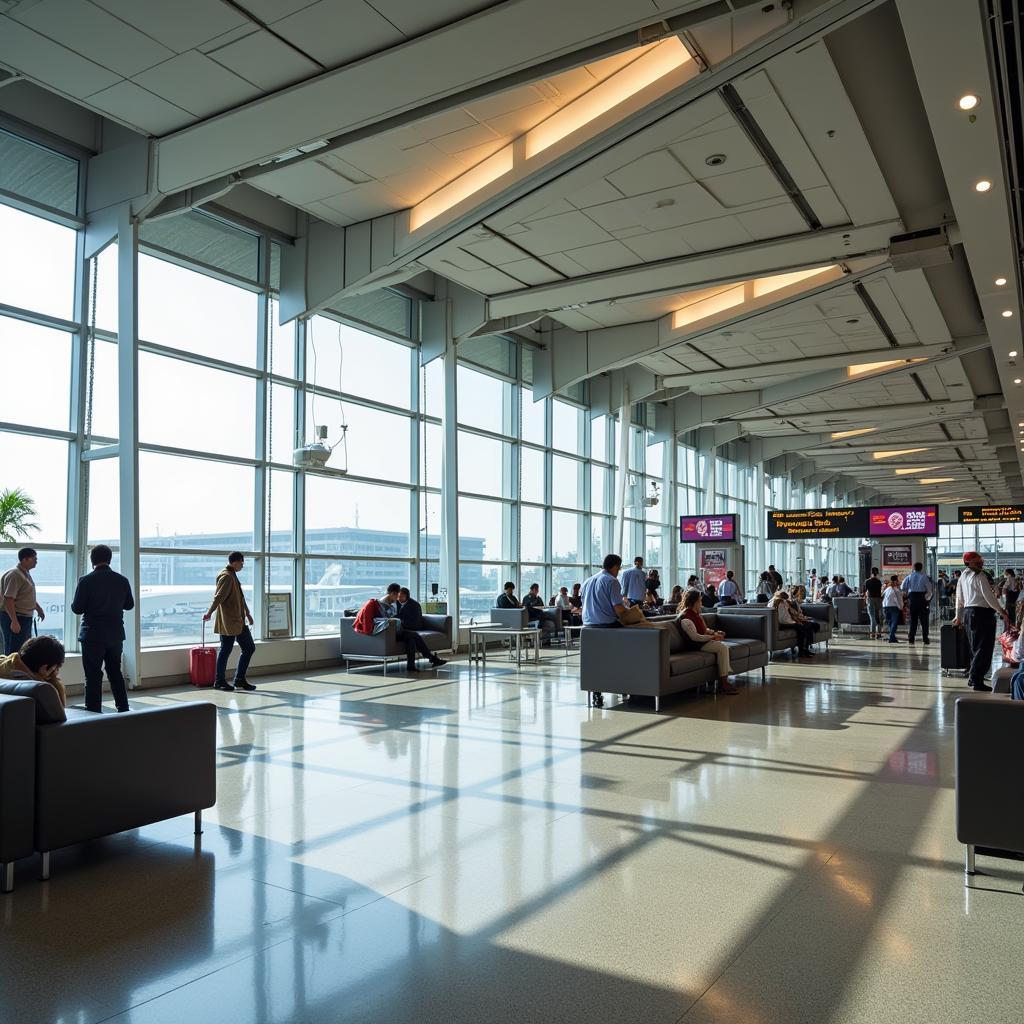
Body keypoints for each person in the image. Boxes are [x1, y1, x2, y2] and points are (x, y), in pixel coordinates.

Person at [70, 544, 135, 713]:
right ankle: (123, 707)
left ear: (92, 561)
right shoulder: (122, 580)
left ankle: (93, 711)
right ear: (109, 559)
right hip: (115, 634)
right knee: (115, 672)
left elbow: (77, 608)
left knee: (92, 675)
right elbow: (129, 605)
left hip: (92, 634)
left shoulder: (86, 580)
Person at [954, 551, 1010, 692]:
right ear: (969, 561)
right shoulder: (980, 575)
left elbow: (959, 598)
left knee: (975, 647)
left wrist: (958, 616)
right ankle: (976, 679)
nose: (981, 561)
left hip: (969, 613)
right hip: (981, 614)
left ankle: (974, 677)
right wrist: (1001, 610)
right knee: (983, 648)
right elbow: (989, 597)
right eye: (977, 559)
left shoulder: (963, 576)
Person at [204, 552, 256, 692]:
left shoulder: (232, 575)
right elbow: (218, 597)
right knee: (226, 649)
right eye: (241, 563)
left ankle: (239, 679)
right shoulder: (226, 576)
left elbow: (240, 597)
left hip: (238, 620)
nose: (242, 566)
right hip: (229, 621)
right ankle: (219, 681)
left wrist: (247, 613)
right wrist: (209, 612)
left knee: (249, 647)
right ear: (235, 562)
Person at [675, 589, 738, 694]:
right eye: (700, 601)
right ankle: (724, 682)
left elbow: (704, 630)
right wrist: (713, 637)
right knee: (722, 648)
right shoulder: (685, 618)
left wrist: (715, 632)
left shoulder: (696, 614)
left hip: (702, 642)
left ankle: (723, 680)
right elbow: (696, 637)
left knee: (722, 647)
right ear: (694, 602)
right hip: (695, 645)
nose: (701, 603)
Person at [0, 633, 67, 707]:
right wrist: (51, 681)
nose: (57, 673)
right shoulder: (38, 688)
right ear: (47, 668)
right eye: (57, 668)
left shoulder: (7, 664)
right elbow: (59, 713)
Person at [1, 547, 46, 655]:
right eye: (33, 558)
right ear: (25, 559)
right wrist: (14, 621)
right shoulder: (15, 575)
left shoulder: (25, 573)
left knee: (24, 650)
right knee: (14, 651)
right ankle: (12, 672)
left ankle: (21, 672)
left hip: (24, 617)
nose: (36, 561)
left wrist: (38, 609)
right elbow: (8, 599)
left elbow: (25, 596)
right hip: (17, 617)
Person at [396, 587, 446, 671]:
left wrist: (401, 622)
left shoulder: (414, 605)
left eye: (401, 596)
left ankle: (416, 663)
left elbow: (414, 621)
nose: (399, 598)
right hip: (402, 629)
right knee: (411, 639)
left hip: (411, 626)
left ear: (406, 596)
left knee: (412, 636)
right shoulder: (396, 603)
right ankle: (428, 659)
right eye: (398, 596)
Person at [581, 555, 626, 628]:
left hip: (587, 624)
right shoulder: (611, 581)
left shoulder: (587, 581)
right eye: (619, 568)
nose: (618, 572)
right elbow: (618, 609)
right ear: (615, 567)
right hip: (606, 624)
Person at [770, 590, 814, 657]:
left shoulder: (783, 602)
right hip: (782, 624)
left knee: (808, 626)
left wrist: (797, 620)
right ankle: (801, 651)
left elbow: (788, 614)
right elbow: (783, 619)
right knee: (801, 628)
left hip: (786, 622)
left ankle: (806, 649)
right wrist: (795, 622)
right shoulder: (778, 603)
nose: (786, 599)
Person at [901, 562, 934, 645]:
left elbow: (902, 587)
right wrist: (927, 599)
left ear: (913, 568)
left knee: (913, 620)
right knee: (924, 620)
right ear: (921, 567)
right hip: (921, 598)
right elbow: (929, 590)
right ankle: (925, 638)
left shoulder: (909, 576)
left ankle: (911, 638)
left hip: (912, 598)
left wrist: (908, 592)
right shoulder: (924, 577)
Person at [882, 575, 905, 644]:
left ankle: (892, 637)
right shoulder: (896, 590)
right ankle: (891, 637)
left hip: (886, 607)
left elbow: (883, 596)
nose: (898, 582)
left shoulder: (888, 589)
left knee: (890, 622)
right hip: (894, 607)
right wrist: (900, 607)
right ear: (895, 581)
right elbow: (897, 600)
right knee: (894, 623)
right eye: (897, 580)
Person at [863, 567, 884, 640]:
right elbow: (880, 591)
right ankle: (878, 633)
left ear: (871, 572)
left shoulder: (867, 581)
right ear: (877, 573)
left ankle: (872, 634)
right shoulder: (879, 582)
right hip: (878, 599)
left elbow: (865, 592)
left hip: (870, 599)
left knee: (872, 616)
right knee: (878, 616)